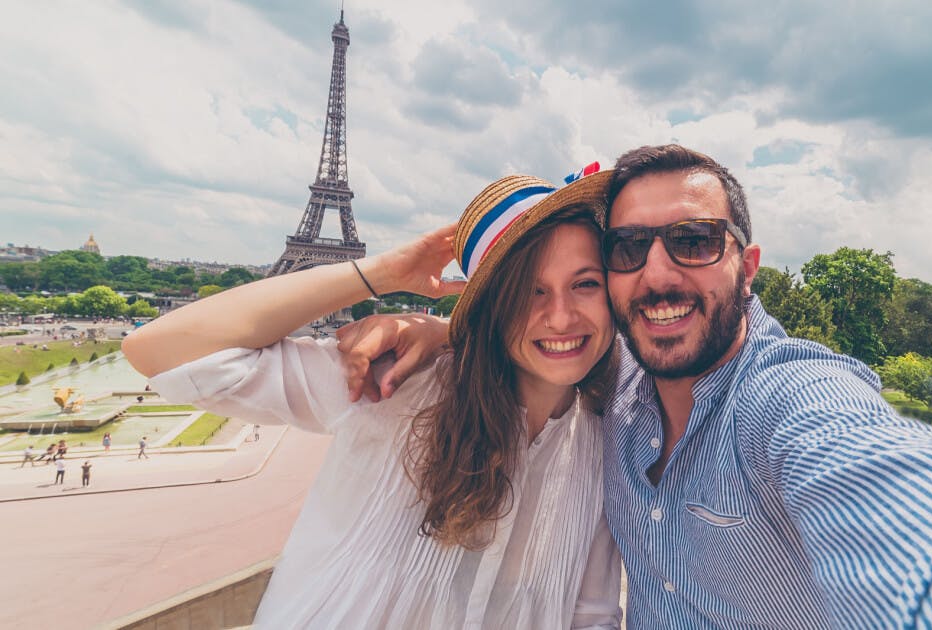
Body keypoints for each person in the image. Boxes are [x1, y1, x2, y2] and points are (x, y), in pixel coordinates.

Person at [339, 144, 932, 628]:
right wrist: (447, 327)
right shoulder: (624, 379)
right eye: (629, 252)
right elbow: (553, 328)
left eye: (696, 242)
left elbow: (926, 507)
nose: (660, 274)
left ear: (747, 268)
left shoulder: (788, 403)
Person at [121, 167, 623, 629]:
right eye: (530, 291)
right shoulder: (394, 380)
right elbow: (158, 351)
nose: (561, 317)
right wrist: (377, 274)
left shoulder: (607, 441)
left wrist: (445, 328)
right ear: (491, 308)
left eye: (584, 284)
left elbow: (590, 616)